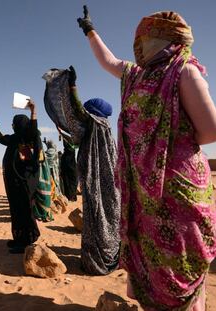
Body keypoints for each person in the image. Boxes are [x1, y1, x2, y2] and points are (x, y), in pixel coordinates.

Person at [77, 6, 216, 309]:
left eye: (148, 35)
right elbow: (109, 61)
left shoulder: (184, 71)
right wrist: (90, 32)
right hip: (143, 194)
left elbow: (210, 131)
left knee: (179, 262)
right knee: (152, 267)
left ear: (169, 38)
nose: (140, 42)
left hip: (177, 190)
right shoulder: (137, 75)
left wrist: (166, 143)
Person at [63, 66, 121, 275]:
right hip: (111, 185)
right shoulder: (104, 129)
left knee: (97, 217)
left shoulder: (95, 125)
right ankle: (111, 257)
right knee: (111, 217)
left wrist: (72, 86)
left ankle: (98, 261)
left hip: (96, 184)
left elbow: (76, 110)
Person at [0, 99, 42, 254]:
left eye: (14, 123)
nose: (13, 126)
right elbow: (1, 139)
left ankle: (27, 240)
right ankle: (19, 238)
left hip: (25, 182)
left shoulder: (29, 137)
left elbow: (33, 130)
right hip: (14, 183)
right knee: (15, 210)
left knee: (25, 210)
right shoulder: (14, 138)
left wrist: (33, 111)